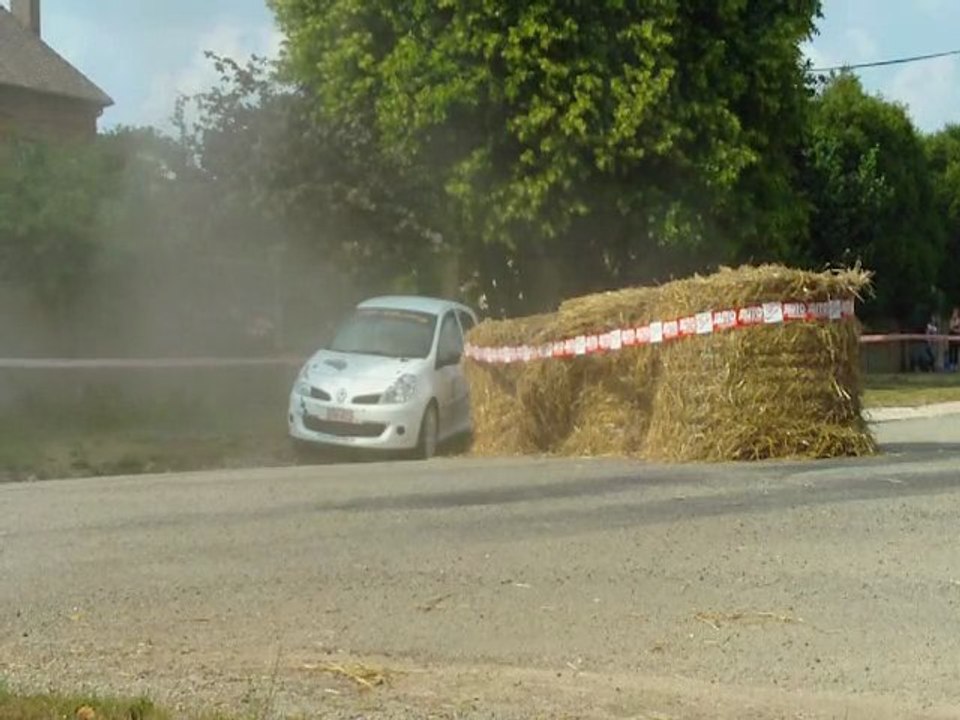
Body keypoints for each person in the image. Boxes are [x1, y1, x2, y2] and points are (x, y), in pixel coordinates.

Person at [950, 307, 960, 371]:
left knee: (956, 351)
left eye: (956, 312)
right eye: (954, 312)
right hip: (951, 337)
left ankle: (956, 366)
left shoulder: (959, 320)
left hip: (957, 338)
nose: (955, 313)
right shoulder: (951, 320)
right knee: (951, 351)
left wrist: (955, 329)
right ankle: (951, 366)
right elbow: (951, 328)